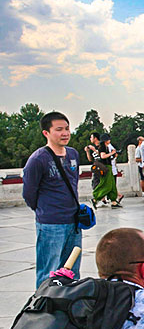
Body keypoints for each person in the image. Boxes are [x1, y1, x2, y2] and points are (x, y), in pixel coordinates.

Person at [22, 112, 82, 288]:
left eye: (67, 128)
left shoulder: (73, 154)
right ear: (46, 133)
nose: (65, 133)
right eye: (59, 130)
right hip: (51, 224)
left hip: (74, 222)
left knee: (72, 271)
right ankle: (45, 308)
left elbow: (74, 183)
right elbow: (29, 193)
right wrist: (44, 210)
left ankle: (70, 305)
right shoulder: (38, 159)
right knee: (48, 272)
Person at [92, 133, 123, 209]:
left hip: (109, 167)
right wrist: (111, 153)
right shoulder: (102, 147)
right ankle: (96, 198)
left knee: (112, 185)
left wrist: (113, 155)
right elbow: (103, 156)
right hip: (105, 168)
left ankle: (114, 201)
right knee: (106, 185)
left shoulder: (106, 147)